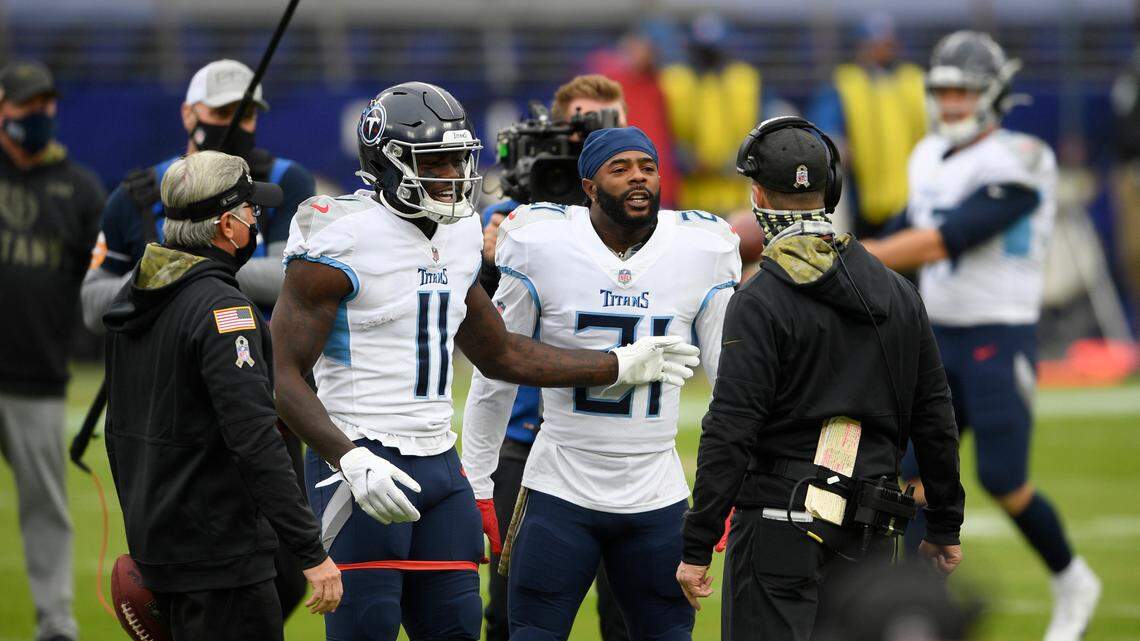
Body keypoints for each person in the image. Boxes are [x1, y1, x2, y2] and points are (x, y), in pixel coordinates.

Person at [270, 81, 700, 641]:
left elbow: (498, 352)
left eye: (458, 159)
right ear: (388, 160)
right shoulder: (336, 234)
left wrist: (615, 365)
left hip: (438, 461)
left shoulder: (460, 233)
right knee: (366, 626)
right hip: (358, 456)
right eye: (436, 161)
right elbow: (282, 376)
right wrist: (346, 458)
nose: (453, 174)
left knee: (458, 626)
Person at [677, 116, 965, 640]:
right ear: (831, 189)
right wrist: (945, 522)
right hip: (873, 529)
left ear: (758, 192)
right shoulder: (899, 291)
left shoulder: (760, 298)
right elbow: (935, 417)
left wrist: (698, 543)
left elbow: (731, 427)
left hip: (778, 522)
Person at [863, 31, 1102, 640]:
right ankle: (917, 610)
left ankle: (1072, 576)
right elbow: (903, 228)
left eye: (964, 93)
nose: (951, 105)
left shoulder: (1022, 157)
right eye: (943, 92)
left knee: (1002, 479)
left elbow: (948, 238)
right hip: (937, 337)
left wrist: (847, 257)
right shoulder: (926, 156)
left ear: (993, 95)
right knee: (913, 478)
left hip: (999, 334)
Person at [462, 126, 740, 641]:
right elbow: (495, 369)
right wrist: (478, 482)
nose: (638, 177)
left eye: (648, 167)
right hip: (560, 481)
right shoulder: (540, 239)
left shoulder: (704, 247)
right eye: (620, 168)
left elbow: (731, 387)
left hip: (656, 487)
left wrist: (731, 488)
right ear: (588, 186)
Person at [80, 58, 316, 617]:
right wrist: (197, 277)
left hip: (265, 391)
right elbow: (95, 303)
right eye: (225, 111)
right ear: (189, 114)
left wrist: (169, 268)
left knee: (272, 576)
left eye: (249, 112)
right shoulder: (139, 198)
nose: (240, 122)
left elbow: (297, 276)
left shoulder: (288, 178)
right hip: (196, 412)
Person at [101, 151, 342, 640]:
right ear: (227, 226)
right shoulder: (223, 309)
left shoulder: (134, 295)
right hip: (221, 563)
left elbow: (118, 432)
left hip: (159, 550)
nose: (257, 221)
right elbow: (254, 439)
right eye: (252, 212)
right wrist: (310, 552)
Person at [479, 73, 633, 641]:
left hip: (623, 442)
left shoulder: (648, 217)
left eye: (609, 123)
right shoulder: (519, 217)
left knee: (632, 612)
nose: (595, 138)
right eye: (584, 126)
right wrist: (490, 261)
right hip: (529, 438)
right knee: (516, 613)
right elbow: (478, 328)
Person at [0, 60, 104, 641]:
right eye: (25, 106)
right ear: (1, 108)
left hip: (37, 375)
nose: (37, 116)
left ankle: (58, 625)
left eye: (45, 105)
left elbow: (99, 281)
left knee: (46, 507)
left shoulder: (80, 188)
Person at [807, 12, 927, 238]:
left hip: (912, 196)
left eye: (887, 44)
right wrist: (833, 143)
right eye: (873, 44)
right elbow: (823, 126)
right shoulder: (845, 82)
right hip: (863, 197)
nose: (881, 50)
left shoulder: (914, 79)